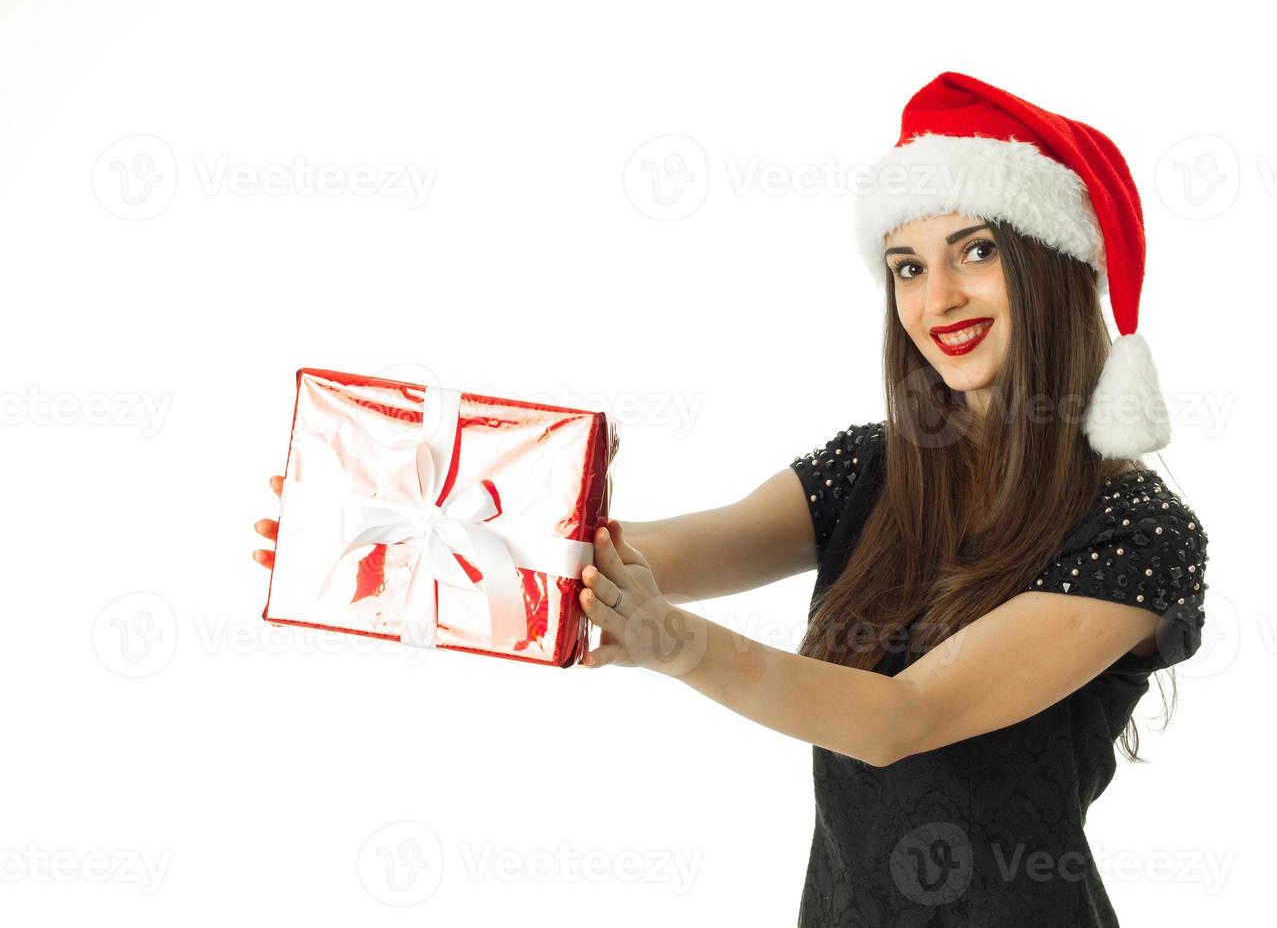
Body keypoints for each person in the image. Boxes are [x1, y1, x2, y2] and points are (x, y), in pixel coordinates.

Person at [253, 71, 1210, 925]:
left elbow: (900, 719)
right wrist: (376, 530)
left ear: (1053, 267)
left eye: (976, 252)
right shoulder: (874, 469)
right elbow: (633, 553)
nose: (936, 299)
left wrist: (678, 646)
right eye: (908, 267)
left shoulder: (1138, 533)